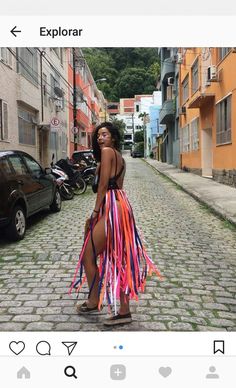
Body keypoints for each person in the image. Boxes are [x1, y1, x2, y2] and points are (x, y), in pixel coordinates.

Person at [69, 122, 162, 326]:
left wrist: (94, 214)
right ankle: (123, 310)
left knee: (88, 255)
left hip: (112, 208)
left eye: (105, 134)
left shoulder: (108, 152)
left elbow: (103, 186)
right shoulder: (118, 156)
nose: (100, 138)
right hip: (118, 206)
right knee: (117, 257)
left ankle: (95, 301)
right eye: (98, 135)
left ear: (113, 138)